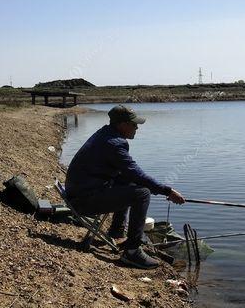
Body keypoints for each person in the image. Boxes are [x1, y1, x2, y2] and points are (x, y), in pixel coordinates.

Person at [65, 105, 185, 269]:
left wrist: (152, 186)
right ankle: (132, 252)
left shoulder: (106, 134)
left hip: (80, 193)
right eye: (134, 124)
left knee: (131, 183)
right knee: (141, 193)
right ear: (122, 125)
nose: (137, 128)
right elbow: (137, 174)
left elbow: (131, 175)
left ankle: (117, 232)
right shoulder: (114, 144)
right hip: (83, 200)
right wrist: (168, 191)